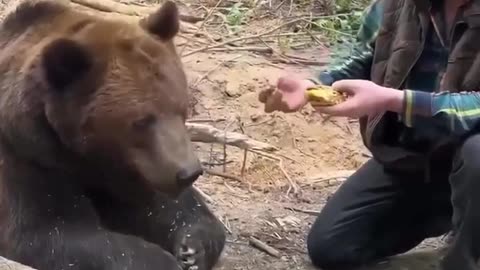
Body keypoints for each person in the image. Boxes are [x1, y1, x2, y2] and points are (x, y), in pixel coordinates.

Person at [262, 0, 480, 269]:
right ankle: (458, 221)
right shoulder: (393, 7)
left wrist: (394, 100)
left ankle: (466, 256)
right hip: (417, 156)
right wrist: (314, 86)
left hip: (470, 157)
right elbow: (359, 56)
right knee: (332, 247)